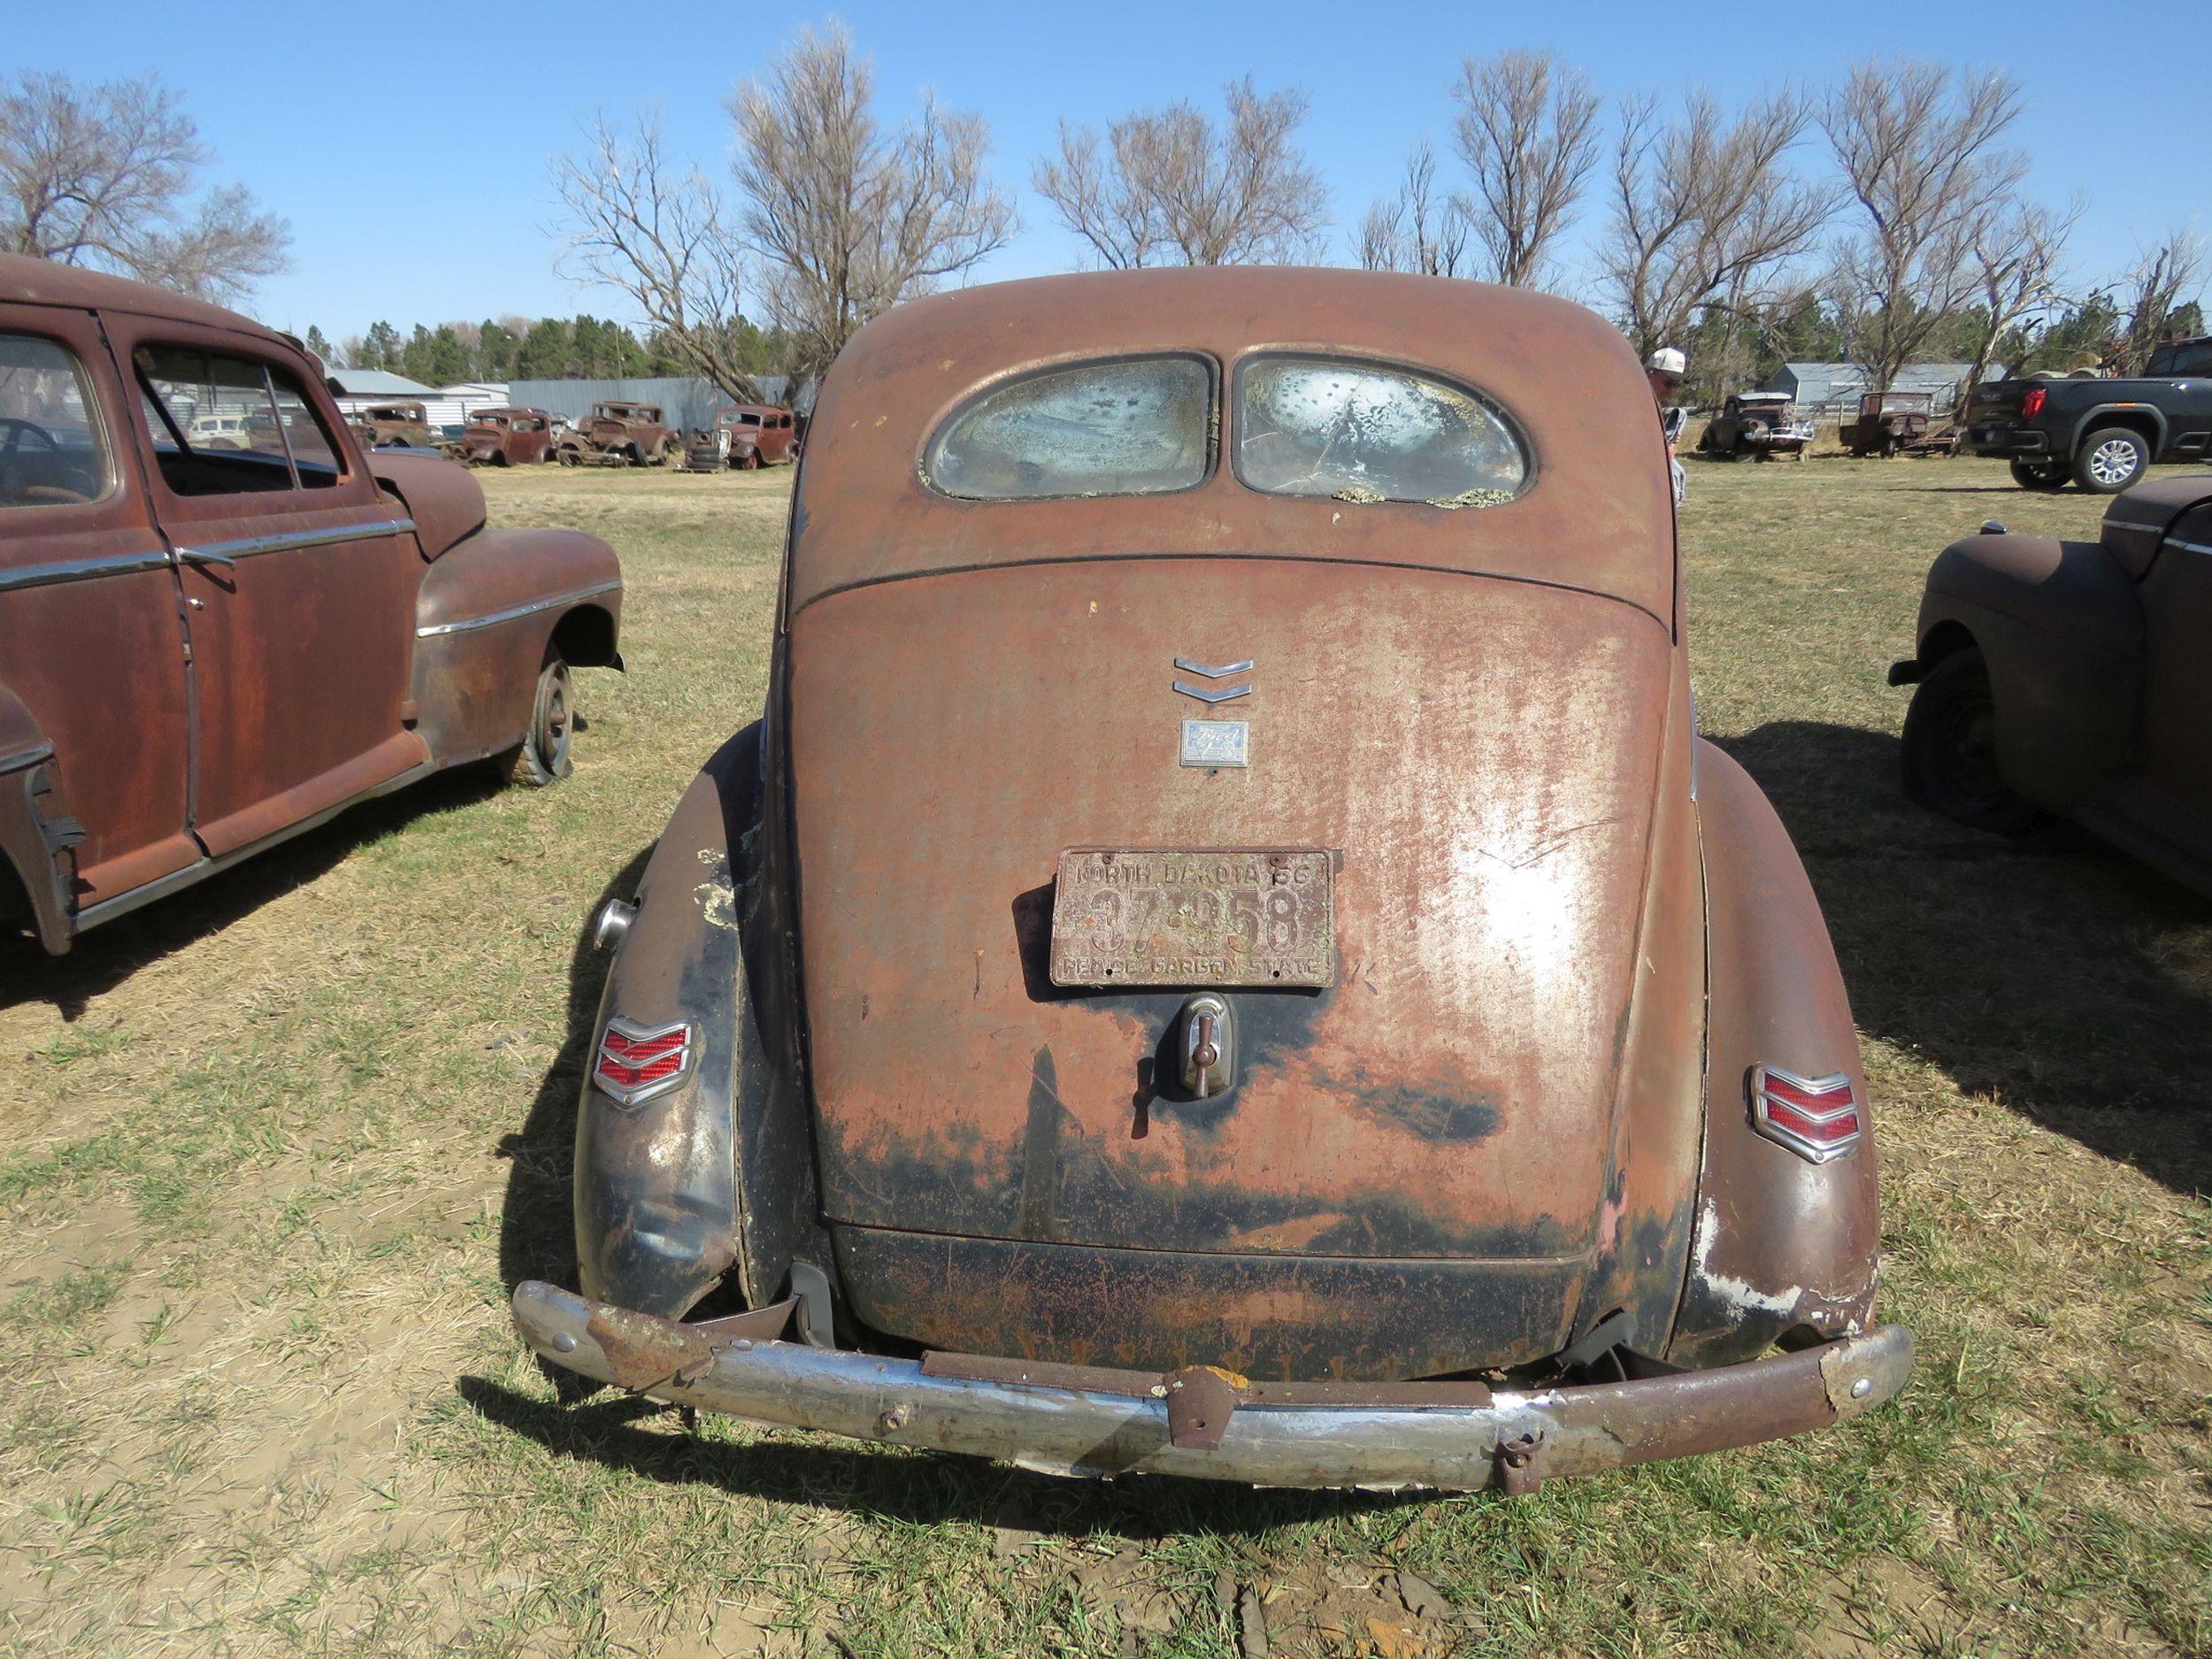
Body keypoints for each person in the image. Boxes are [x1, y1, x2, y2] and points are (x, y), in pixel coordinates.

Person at [1646, 346, 1687, 506]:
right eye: (1668, 383)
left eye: (1676, 384)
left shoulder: (1667, 412)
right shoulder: (1631, 406)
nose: (1672, 390)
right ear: (1650, 375)